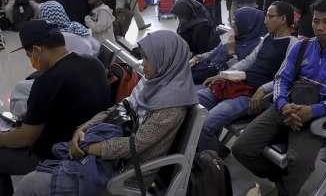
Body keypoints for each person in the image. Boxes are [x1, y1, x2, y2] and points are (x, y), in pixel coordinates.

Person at [14, 30, 198, 196]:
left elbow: (135, 144)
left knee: (31, 184)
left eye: (149, 58)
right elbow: (118, 109)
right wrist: (83, 129)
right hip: (109, 156)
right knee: (38, 176)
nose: (143, 64)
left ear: (165, 60)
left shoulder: (171, 107)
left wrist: (88, 148)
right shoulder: (151, 84)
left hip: (126, 172)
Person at [232, 0, 326, 196]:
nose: (319, 27)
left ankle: (285, 190)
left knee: (301, 162)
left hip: (317, 116)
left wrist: (313, 111)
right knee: (242, 148)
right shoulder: (301, 47)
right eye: (316, 21)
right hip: (286, 106)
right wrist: (283, 105)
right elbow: (280, 79)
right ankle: (282, 178)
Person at [0, 20, 110, 195]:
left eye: (29, 55)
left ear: (37, 50)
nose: (31, 61)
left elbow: (25, 138)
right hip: (89, 144)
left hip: (56, 155)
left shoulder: (46, 81)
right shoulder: (94, 64)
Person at [197, 1, 298, 154]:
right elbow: (248, 61)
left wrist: (263, 89)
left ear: (283, 19)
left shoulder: (293, 45)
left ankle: (214, 161)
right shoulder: (267, 39)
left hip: (252, 96)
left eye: (270, 17)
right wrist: (223, 75)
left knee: (205, 124)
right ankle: (211, 150)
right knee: (194, 101)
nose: (265, 21)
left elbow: (287, 77)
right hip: (239, 85)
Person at [190, 7, 266, 85]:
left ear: (248, 25)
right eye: (233, 19)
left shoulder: (256, 46)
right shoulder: (231, 34)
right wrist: (198, 58)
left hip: (220, 78)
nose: (232, 23)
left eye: (236, 22)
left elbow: (239, 70)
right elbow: (214, 51)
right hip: (206, 68)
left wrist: (232, 52)